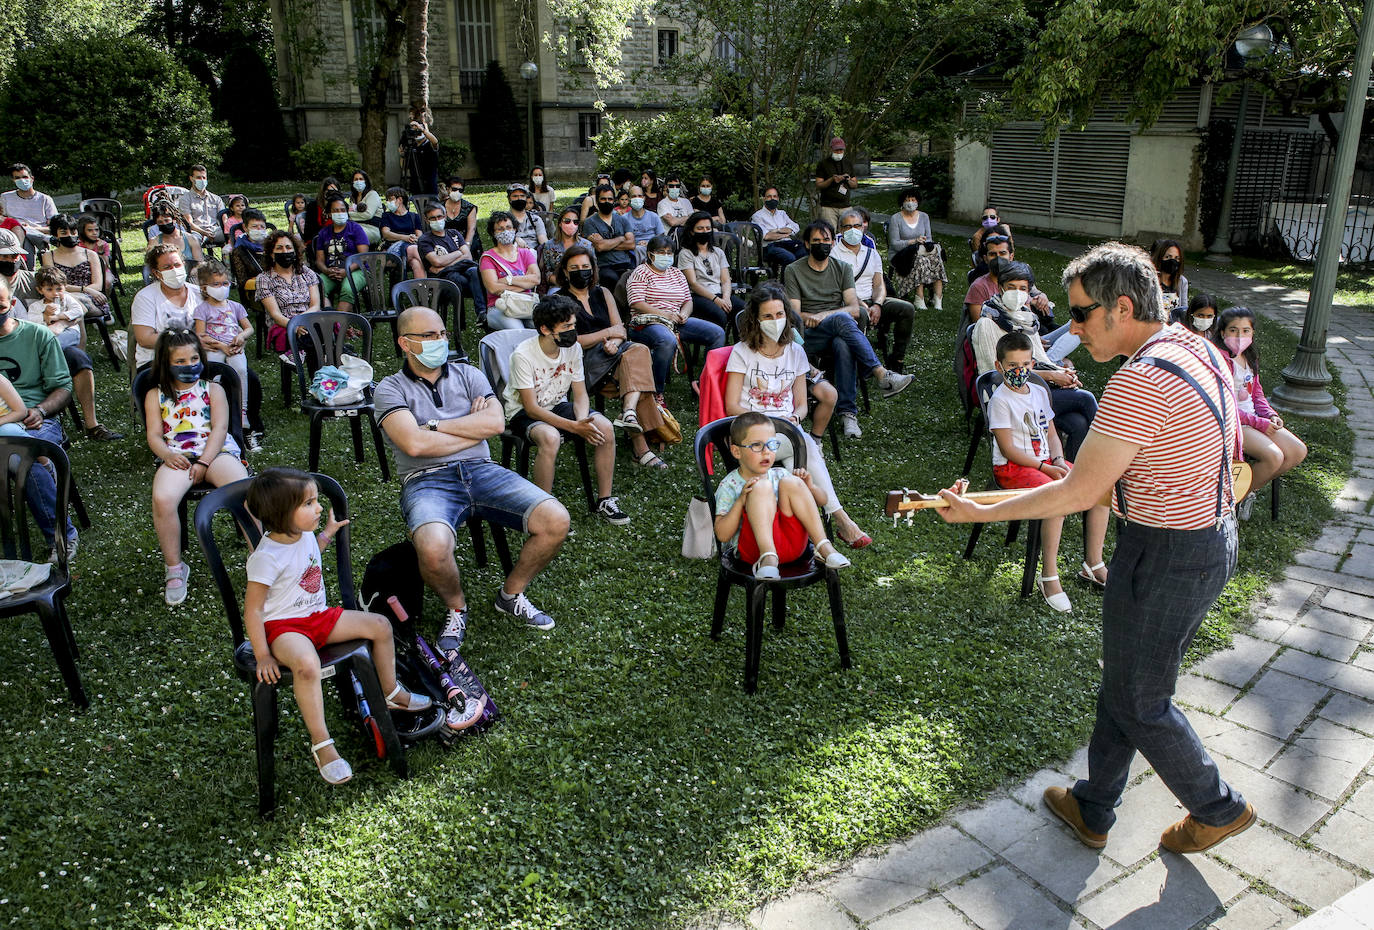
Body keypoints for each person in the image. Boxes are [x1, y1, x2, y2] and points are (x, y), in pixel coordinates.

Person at [939, 241, 1257, 857]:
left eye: (1082, 313)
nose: (1071, 326)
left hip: (1166, 554)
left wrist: (980, 508)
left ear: (1124, 306)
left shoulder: (1139, 382)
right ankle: (1094, 805)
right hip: (1205, 542)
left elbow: (1076, 492)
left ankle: (1217, 807)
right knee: (1129, 682)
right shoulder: (1196, 345)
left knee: (1140, 699)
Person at [374, 306, 571, 650]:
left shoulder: (467, 374)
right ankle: (456, 606)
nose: (439, 341)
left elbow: (494, 425)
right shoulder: (389, 389)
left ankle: (511, 595)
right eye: (429, 336)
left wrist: (433, 426)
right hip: (426, 479)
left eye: (442, 334)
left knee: (556, 519)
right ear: (405, 343)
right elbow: (413, 445)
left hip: (482, 470)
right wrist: (470, 429)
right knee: (433, 548)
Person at [245, 466, 432, 784]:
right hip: (285, 628)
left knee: (380, 626)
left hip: (319, 617)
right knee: (306, 664)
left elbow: (309, 557)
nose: (319, 507)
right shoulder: (265, 557)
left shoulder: (302, 535)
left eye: (316, 500)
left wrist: (326, 534)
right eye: (308, 504)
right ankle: (323, 744)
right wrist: (262, 655)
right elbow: (253, 610)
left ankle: (390, 691)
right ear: (281, 514)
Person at [726, 283, 870, 547]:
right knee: (806, 447)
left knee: (803, 449)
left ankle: (813, 534)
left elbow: (802, 404)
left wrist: (795, 418)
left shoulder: (796, 352)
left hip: (787, 431)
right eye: (767, 316)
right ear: (755, 320)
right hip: (753, 434)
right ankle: (838, 522)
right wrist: (765, 421)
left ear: (787, 316)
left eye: (779, 315)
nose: (775, 321)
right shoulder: (742, 352)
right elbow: (731, 405)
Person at [988, 330, 1109, 610]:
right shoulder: (1001, 400)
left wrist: (1057, 460)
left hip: (1045, 462)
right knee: (1057, 495)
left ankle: (1093, 563)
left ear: (1033, 363)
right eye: (1012, 366)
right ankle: (1049, 576)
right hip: (1013, 467)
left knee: (1100, 488)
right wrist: (1045, 467)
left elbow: (1052, 433)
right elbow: (1008, 450)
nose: (1020, 371)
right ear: (999, 367)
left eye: (1026, 365)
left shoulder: (1040, 391)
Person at [145, 328, 250, 605]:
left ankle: (260, 555)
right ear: (165, 363)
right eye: (180, 362)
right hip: (177, 455)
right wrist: (166, 455)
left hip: (215, 452)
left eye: (194, 359)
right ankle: (175, 569)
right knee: (163, 498)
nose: (189, 366)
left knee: (244, 489)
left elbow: (220, 428)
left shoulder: (212, 389)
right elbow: (154, 435)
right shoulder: (155, 395)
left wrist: (204, 461)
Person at [503, 296, 629, 524]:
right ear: (545, 329)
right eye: (567, 327)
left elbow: (580, 393)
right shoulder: (523, 355)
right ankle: (545, 509)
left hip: (557, 405)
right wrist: (573, 426)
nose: (573, 331)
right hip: (523, 412)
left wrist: (583, 421)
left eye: (574, 325)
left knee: (605, 428)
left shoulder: (573, 349)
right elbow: (531, 407)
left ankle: (605, 500)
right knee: (550, 438)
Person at [782, 221, 913, 439]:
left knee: (844, 344)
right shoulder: (793, 270)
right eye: (816, 241)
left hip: (836, 329)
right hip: (808, 335)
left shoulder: (842, 268)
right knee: (843, 321)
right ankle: (880, 374)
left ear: (833, 242)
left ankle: (847, 414)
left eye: (826, 240)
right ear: (806, 244)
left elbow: (854, 307)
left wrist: (825, 315)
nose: (822, 245)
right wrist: (818, 317)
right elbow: (794, 314)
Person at [3, 231, 122, 442]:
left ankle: (92, 424)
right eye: (5, 256)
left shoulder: (35, 280)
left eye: (15, 256)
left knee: (79, 359)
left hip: (48, 343)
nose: (11, 260)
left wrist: (63, 321)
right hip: (15, 352)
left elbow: (77, 307)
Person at [972, 261, 1097, 459]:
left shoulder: (1026, 319)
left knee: (1078, 423)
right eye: (1011, 287)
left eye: (1023, 288)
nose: (1017, 293)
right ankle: (1103, 462)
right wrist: (1051, 376)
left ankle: (1069, 478)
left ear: (1029, 292)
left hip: (1033, 391)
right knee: (1085, 398)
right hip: (1007, 396)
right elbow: (996, 375)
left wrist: (1063, 373)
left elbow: (1041, 358)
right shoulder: (987, 323)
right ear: (1001, 288)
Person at [555, 245, 664, 467]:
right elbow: (572, 339)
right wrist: (607, 335)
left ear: (593, 269)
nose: (580, 271)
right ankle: (636, 433)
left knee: (635, 358)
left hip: (614, 355)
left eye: (585, 266)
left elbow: (620, 330)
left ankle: (631, 419)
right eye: (574, 267)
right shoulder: (560, 300)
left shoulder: (603, 293)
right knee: (637, 362)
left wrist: (614, 343)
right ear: (565, 272)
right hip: (583, 363)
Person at [713, 412, 851, 580]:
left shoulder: (780, 474)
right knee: (761, 487)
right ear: (736, 451)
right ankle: (768, 555)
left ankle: (823, 546)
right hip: (754, 551)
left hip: (792, 546)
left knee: (791, 482)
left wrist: (810, 487)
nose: (766, 452)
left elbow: (822, 501)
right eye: (757, 445)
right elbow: (722, 535)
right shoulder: (730, 485)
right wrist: (741, 501)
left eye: (771, 444)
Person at [0, 278, 79, 559]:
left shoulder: (37, 335)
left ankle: (61, 535)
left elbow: (63, 388)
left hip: (36, 418)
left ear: (11, 305)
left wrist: (42, 410)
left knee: (25, 456)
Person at [1211, 305, 1307, 512]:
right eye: (1233, 330)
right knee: (1275, 457)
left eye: (1246, 330)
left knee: (1297, 451)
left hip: (1255, 420)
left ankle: (1244, 493)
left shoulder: (1251, 357)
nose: (1239, 336)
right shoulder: (1219, 359)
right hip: (1232, 423)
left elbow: (1257, 394)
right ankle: (1230, 504)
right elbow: (1224, 404)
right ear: (1222, 333)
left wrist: (1270, 415)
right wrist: (1260, 424)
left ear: (1253, 332)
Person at [626, 235, 726, 394]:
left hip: (677, 320)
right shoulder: (641, 272)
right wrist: (665, 315)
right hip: (648, 323)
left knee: (717, 333)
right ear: (650, 254)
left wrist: (684, 314)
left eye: (669, 252)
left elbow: (688, 300)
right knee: (666, 340)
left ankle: (704, 384)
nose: (665, 256)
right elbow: (636, 302)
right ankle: (655, 392)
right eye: (661, 252)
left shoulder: (677, 273)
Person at [831, 208, 915, 373]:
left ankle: (897, 359)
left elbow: (879, 284)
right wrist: (863, 305)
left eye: (857, 226)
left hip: (872, 300)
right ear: (841, 229)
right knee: (860, 313)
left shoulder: (872, 253)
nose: (853, 230)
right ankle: (863, 364)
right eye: (848, 227)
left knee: (907, 309)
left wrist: (877, 304)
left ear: (863, 228)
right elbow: (840, 288)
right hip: (848, 303)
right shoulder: (834, 254)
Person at [192, 260, 252, 422]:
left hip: (234, 347)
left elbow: (249, 328)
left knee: (241, 371)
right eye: (216, 284)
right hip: (214, 348)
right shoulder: (202, 309)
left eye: (225, 283)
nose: (222, 287)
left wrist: (241, 337)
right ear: (204, 287)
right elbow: (200, 334)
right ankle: (213, 409)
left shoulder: (235, 306)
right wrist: (220, 346)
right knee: (214, 375)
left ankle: (242, 412)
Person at [964, 232, 1051, 324]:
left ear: (1011, 256)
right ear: (985, 259)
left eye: (1002, 253)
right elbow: (979, 324)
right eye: (993, 254)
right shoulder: (979, 286)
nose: (998, 258)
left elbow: (1026, 318)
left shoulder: (1018, 282)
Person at [258, 229, 321, 355]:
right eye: (279, 248)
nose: (285, 251)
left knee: (327, 318)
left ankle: (325, 359)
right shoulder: (264, 279)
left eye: (288, 247)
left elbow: (315, 305)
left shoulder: (307, 273)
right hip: (284, 325)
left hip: (308, 319)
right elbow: (275, 315)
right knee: (313, 337)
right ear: (271, 254)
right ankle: (322, 362)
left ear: (295, 251)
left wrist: (302, 321)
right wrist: (295, 325)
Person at [677, 211, 738, 332]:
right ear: (692, 231)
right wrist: (716, 300)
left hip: (720, 293)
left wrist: (726, 298)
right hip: (698, 296)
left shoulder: (718, 252)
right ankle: (718, 346)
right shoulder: (686, 254)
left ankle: (739, 347)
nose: (705, 231)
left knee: (744, 311)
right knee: (720, 315)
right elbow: (693, 284)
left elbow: (726, 280)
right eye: (700, 228)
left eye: (708, 228)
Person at [480, 211, 540, 332]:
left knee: (545, 328)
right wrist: (524, 284)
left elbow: (536, 279)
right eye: (500, 229)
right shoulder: (488, 258)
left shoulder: (525, 253)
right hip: (499, 306)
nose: (505, 231)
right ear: (493, 233)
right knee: (518, 331)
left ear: (515, 229)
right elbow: (493, 288)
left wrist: (509, 280)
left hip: (525, 304)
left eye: (508, 227)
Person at [887, 189, 946, 310]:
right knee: (920, 261)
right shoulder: (896, 218)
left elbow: (929, 238)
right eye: (907, 200)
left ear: (917, 202)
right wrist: (913, 241)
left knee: (937, 259)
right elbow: (894, 244)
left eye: (913, 200)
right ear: (902, 202)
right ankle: (919, 298)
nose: (910, 203)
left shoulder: (924, 217)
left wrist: (925, 242)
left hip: (921, 250)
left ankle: (938, 298)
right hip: (901, 255)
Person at [312, 194, 369, 313]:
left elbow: (363, 257)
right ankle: (329, 317)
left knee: (348, 289)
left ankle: (338, 325)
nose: (340, 213)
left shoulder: (355, 229)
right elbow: (319, 260)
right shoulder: (324, 233)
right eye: (335, 210)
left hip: (356, 269)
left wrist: (346, 270)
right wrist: (327, 271)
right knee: (317, 288)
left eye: (342, 210)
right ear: (329, 213)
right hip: (331, 272)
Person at [41, 214, 106, 313]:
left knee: (72, 302)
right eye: (64, 233)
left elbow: (98, 285)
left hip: (91, 297)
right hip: (63, 295)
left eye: (73, 232)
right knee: (67, 300)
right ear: (55, 235)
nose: (70, 235)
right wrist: (83, 289)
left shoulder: (90, 254)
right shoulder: (49, 256)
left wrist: (85, 291)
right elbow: (53, 284)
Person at [415, 202, 479, 302]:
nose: (437, 220)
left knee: (475, 272)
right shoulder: (425, 240)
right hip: (443, 280)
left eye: (439, 217)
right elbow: (437, 261)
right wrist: (458, 253)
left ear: (445, 217)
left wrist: (445, 267)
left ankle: (482, 311)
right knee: (458, 279)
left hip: (462, 271)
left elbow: (468, 256)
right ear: (427, 220)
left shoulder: (454, 233)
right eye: (433, 218)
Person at [581, 184, 635, 290]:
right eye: (603, 199)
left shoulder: (622, 220)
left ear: (614, 200)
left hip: (625, 263)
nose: (607, 202)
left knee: (632, 281)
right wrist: (620, 238)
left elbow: (631, 244)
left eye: (610, 199)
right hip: (604, 265)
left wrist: (606, 243)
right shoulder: (590, 222)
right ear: (597, 201)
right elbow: (600, 247)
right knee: (611, 279)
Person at [2, 163, 57, 256]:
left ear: (32, 178)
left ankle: (28, 267)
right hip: (14, 235)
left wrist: (33, 229)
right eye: (17, 178)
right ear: (13, 180)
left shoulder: (45, 199)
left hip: (37, 233)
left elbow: (55, 228)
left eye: (24, 177)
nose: (22, 180)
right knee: (21, 231)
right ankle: (44, 240)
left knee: (25, 234)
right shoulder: (5, 198)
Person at [537, 206, 592, 293]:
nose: (571, 224)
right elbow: (547, 272)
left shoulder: (587, 245)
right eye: (567, 221)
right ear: (560, 223)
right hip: (558, 286)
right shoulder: (549, 245)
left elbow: (593, 270)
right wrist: (563, 284)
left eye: (575, 222)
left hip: (583, 286)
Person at [27, 267, 84, 348]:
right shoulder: (36, 306)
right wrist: (45, 315)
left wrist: (58, 316)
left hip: (69, 330)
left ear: (65, 287)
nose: (55, 293)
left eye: (59, 289)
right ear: (40, 290)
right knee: (45, 343)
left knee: (54, 344)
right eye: (49, 289)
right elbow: (31, 320)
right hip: (46, 334)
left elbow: (79, 311)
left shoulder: (66, 299)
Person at [752, 187, 806, 266]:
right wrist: (785, 234)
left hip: (787, 244)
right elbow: (766, 236)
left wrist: (776, 230)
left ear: (778, 198)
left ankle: (798, 276)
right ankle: (785, 278)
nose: (772, 199)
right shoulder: (757, 216)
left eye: (775, 196)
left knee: (804, 252)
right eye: (769, 196)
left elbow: (796, 226)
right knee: (790, 258)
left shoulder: (782, 214)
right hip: (770, 247)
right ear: (764, 199)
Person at [145, 201, 204, 273]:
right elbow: (151, 266)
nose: (164, 224)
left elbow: (199, 264)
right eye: (160, 222)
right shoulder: (154, 242)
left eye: (166, 220)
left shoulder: (191, 239)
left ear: (174, 220)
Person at [176, 164, 226, 248]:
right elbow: (189, 223)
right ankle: (199, 261)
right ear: (191, 178)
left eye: (204, 178)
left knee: (236, 235)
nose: (202, 180)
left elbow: (224, 219)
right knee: (192, 240)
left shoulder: (216, 199)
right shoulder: (185, 199)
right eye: (198, 178)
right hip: (196, 232)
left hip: (216, 231)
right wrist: (204, 233)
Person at [814, 137, 856, 229]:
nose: (839, 152)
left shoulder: (848, 163)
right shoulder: (823, 164)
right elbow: (819, 184)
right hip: (828, 207)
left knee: (848, 233)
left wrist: (848, 179)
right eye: (836, 150)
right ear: (831, 149)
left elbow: (855, 184)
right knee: (829, 233)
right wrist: (832, 180)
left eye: (841, 150)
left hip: (845, 206)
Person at [399, 109, 440, 195]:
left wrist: (422, 129)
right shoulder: (411, 147)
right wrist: (402, 155)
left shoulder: (429, 144)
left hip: (429, 186)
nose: (416, 132)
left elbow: (435, 142)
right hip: (415, 186)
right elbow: (404, 167)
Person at [377, 186, 423, 261]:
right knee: (414, 250)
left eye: (390, 199)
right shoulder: (386, 216)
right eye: (387, 200)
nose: (388, 202)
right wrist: (406, 238)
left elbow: (420, 236)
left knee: (415, 263)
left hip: (411, 247)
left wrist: (413, 238)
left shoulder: (414, 216)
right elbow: (386, 234)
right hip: (393, 247)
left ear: (400, 199)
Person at [1150, 238, 1190, 321]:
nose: (1172, 261)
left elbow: (1183, 309)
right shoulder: (1150, 280)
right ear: (1160, 257)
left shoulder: (1181, 282)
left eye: (1177, 258)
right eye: (1168, 257)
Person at [625, 186, 664, 263]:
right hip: (633, 250)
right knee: (638, 249)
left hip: (653, 248)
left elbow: (661, 237)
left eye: (640, 196)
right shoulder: (624, 219)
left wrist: (649, 244)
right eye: (634, 196)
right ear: (629, 199)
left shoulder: (654, 216)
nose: (637, 198)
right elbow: (622, 239)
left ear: (644, 198)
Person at [346, 169, 383, 246]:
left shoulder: (372, 194)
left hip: (371, 230)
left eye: (361, 179)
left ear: (366, 181)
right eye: (356, 179)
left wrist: (349, 214)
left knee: (350, 235)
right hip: (354, 227)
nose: (358, 181)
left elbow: (368, 215)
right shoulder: (353, 198)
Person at [505, 183, 547, 250]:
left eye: (522, 196)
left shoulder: (535, 219)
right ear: (509, 199)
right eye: (515, 196)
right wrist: (515, 239)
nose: (519, 198)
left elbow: (543, 241)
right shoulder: (503, 220)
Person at [303, 177, 341, 242]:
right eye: (329, 191)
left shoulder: (341, 206)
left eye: (335, 192)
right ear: (323, 191)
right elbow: (309, 233)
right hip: (318, 239)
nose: (332, 194)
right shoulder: (313, 206)